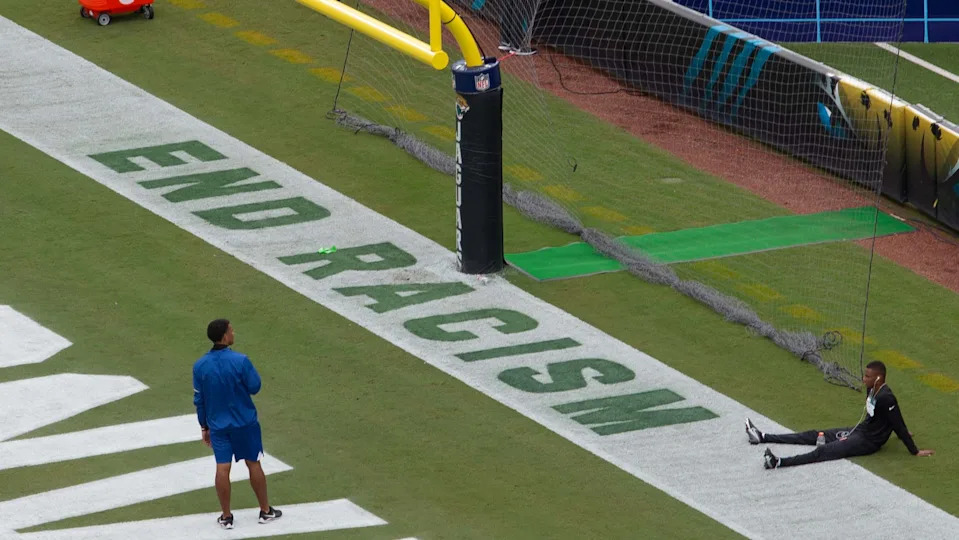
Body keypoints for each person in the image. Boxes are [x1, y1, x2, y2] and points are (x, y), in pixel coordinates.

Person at [746, 360, 934, 469]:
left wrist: (914, 450)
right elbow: (886, 420)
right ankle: (763, 436)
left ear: (878, 378)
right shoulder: (872, 390)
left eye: (867, 376)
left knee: (823, 451)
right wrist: (901, 432)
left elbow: (897, 421)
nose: (864, 379)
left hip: (867, 442)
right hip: (860, 431)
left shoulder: (887, 398)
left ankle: (778, 463)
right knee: (816, 435)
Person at [193, 318, 282, 529]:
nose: (234, 333)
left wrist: (204, 426)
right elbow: (255, 386)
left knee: (222, 468)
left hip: (218, 426)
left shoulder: (200, 366)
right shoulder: (241, 361)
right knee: (254, 463)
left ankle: (226, 516)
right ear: (225, 336)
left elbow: (199, 399)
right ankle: (265, 510)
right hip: (245, 424)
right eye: (231, 330)